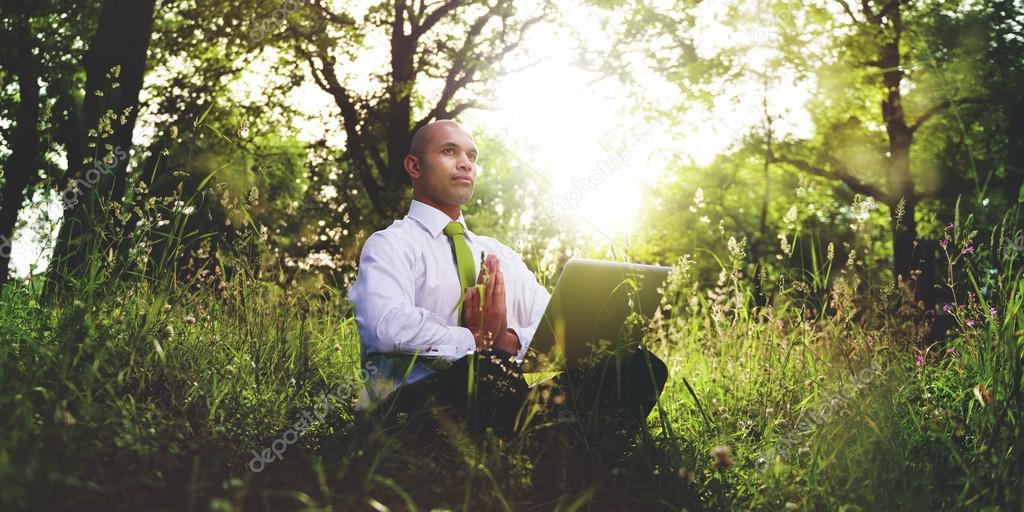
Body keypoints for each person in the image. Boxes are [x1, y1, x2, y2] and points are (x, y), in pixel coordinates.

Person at [347, 119, 667, 443]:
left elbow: (552, 324)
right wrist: (475, 340)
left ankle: (562, 458)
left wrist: (509, 341)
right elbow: (385, 328)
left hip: (499, 401)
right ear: (414, 166)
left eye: (472, 156)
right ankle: (533, 448)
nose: (465, 164)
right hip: (413, 409)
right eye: (449, 151)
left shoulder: (500, 254)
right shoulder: (391, 243)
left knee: (640, 367)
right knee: (485, 370)